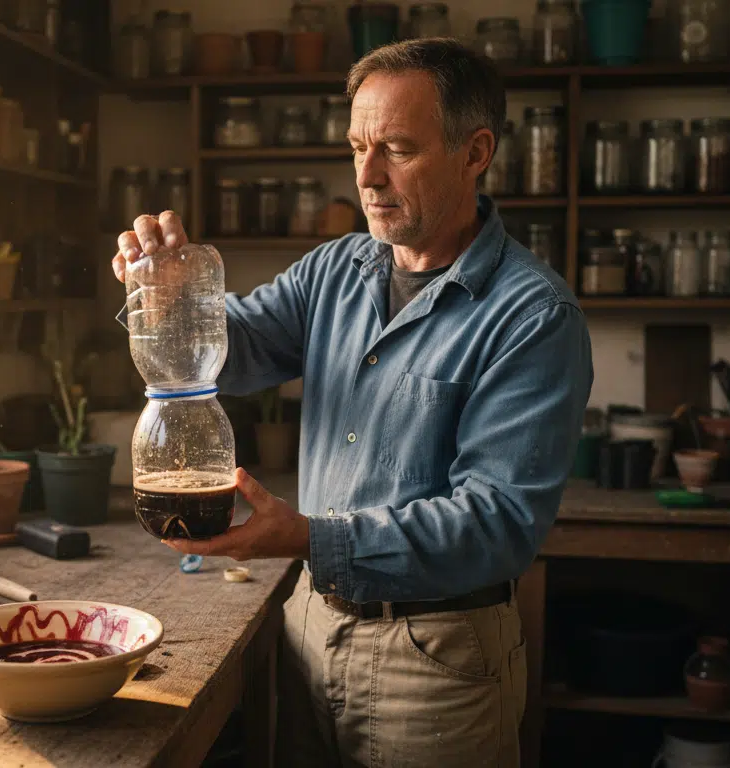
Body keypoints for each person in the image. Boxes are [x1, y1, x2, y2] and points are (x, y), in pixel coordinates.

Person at [113, 39, 592, 768]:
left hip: (437, 660)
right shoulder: (336, 269)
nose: (367, 177)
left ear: (475, 151)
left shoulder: (532, 316)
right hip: (310, 622)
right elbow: (232, 353)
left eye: (397, 148)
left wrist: (309, 538)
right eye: (358, 147)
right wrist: (173, 295)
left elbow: (496, 525)